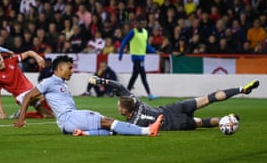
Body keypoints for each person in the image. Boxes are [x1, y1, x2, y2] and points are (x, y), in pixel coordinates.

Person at [13, 55, 163, 136]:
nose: (71, 71)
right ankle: (148, 131)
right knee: (107, 121)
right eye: (69, 68)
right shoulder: (49, 81)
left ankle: (83, 133)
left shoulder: (62, 83)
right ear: (59, 68)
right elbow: (28, 96)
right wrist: (21, 119)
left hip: (69, 121)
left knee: (109, 131)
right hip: (69, 117)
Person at [89, 76, 260, 130]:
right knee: (208, 98)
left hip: (173, 123)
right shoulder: (135, 101)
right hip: (173, 108)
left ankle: (226, 120)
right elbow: (118, 86)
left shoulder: (134, 123)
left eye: (119, 106)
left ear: (125, 111)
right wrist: (100, 81)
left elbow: (115, 127)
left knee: (203, 122)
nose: (117, 106)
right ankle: (240, 89)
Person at [0, 51, 54, 119]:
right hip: (21, 97)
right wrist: (2, 113)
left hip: (31, 91)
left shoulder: (12, 60)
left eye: (0, 59)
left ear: (2, 58)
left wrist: (38, 57)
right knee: (42, 93)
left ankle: (21, 114)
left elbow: (29, 53)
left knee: (49, 116)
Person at [118, 20, 159, 100]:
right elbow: (124, 42)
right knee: (143, 74)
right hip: (136, 57)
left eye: (142, 23)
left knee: (135, 75)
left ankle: (126, 93)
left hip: (142, 57)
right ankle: (149, 94)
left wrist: (154, 51)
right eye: (138, 23)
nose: (140, 24)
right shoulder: (132, 32)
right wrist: (120, 54)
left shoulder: (145, 32)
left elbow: (146, 45)